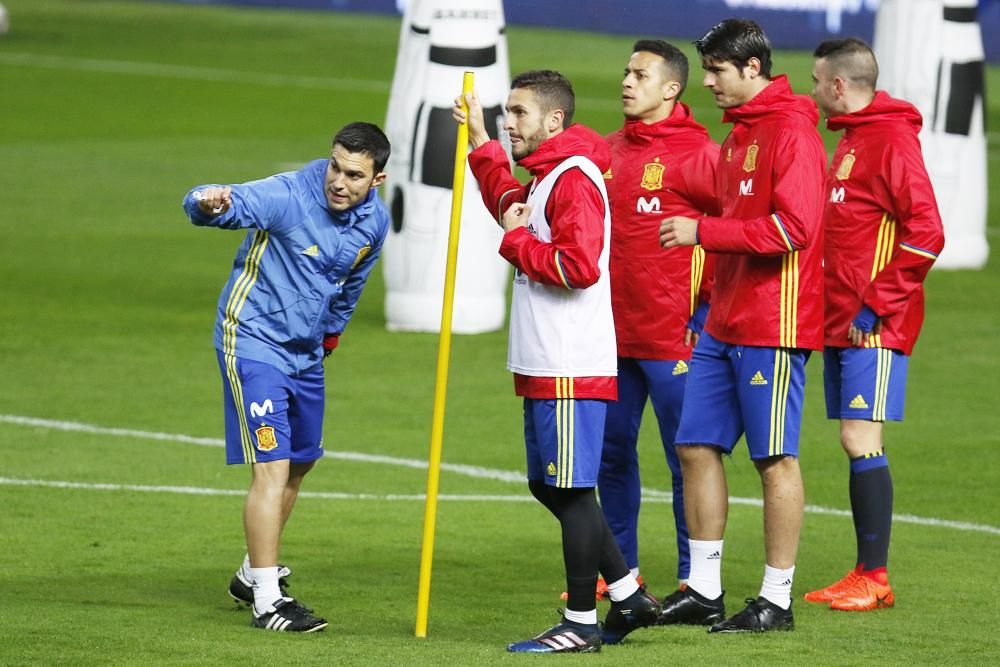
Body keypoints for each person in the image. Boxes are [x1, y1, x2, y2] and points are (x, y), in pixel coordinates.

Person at [453, 70, 658, 653]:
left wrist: (517, 242)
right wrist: (481, 145)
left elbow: (579, 265)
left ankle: (580, 623)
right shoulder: (546, 179)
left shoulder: (573, 180)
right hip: (546, 360)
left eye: (518, 114)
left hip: (569, 361)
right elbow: (513, 207)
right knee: (552, 487)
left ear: (553, 121)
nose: (510, 122)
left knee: (569, 489)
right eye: (507, 113)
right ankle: (627, 594)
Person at [181, 122, 391, 633]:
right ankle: (268, 601)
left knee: (300, 463)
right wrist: (206, 204)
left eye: (354, 175)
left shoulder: (375, 224)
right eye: (335, 167)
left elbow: (350, 285)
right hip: (252, 342)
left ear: (377, 179)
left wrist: (330, 338)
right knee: (272, 468)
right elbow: (223, 204)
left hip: (306, 355)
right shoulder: (290, 195)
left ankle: (250, 574)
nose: (338, 181)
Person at [657, 19, 826, 633]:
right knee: (693, 444)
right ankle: (704, 588)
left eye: (717, 71)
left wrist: (704, 231)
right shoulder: (738, 138)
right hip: (724, 321)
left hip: (773, 323)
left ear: (752, 68)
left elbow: (794, 230)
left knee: (773, 458)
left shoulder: (792, 134)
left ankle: (776, 599)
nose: (707, 83)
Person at [805, 38, 944, 611]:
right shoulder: (852, 142)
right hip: (841, 320)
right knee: (853, 439)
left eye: (816, 81)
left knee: (861, 439)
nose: (812, 91)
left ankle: (876, 577)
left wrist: (877, 302)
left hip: (874, 323)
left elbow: (927, 232)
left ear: (839, 85)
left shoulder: (889, 141)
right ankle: (863, 570)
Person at [598, 39, 719, 600]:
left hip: (677, 335)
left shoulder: (699, 154)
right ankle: (618, 573)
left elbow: (730, 234)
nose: (627, 81)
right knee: (611, 453)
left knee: (687, 459)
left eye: (640, 74)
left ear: (671, 88)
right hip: (611, 335)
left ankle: (696, 576)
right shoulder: (608, 151)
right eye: (626, 71)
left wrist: (708, 306)